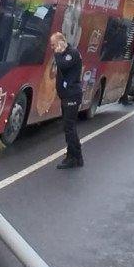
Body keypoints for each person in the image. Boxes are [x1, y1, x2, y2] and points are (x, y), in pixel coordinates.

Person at [50, 32, 84, 169]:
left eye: (53, 44)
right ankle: (74, 155)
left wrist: (58, 53)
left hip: (72, 95)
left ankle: (74, 157)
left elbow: (63, 65)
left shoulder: (72, 53)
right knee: (68, 127)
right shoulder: (65, 54)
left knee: (69, 127)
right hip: (66, 95)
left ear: (60, 42)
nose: (52, 48)